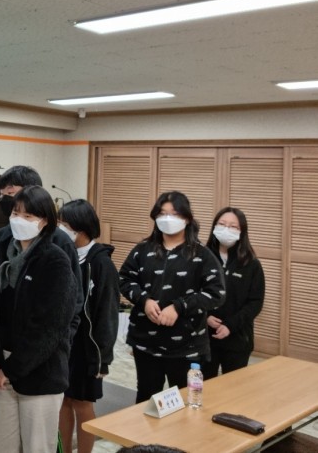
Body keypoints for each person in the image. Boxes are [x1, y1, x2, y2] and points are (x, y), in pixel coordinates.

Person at [0, 185, 78, 453]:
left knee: (37, 447)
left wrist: (11, 370)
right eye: (15, 213)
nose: (19, 220)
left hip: (40, 371)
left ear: (45, 221)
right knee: (0, 446)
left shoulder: (55, 261)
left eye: (28, 216)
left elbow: (50, 327)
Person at [119, 191, 225, 403]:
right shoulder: (142, 250)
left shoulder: (202, 255)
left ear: (187, 218)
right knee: (147, 398)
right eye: (162, 213)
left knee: (186, 401)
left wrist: (179, 307)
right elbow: (124, 279)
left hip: (187, 346)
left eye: (175, 214)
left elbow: (216, 293)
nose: (168, 218)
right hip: (145, 342)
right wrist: (144, 300)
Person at [57, 199, 120, 453]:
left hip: (87, 346)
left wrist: (103, 358)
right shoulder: (64, 255)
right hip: (65, 343)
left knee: (82, 403)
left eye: (64, 224)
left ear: (80, 228)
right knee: (63, 401)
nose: (59, 228)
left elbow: (107, 314)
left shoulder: (101, 264)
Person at [0, 166, 82, 333]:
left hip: (41, 338)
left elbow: (73, 300)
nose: (4, 200)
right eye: (1, 195)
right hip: (0, 336)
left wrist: (63, 339)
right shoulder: (0, 237)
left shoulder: (60, 243)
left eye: (10, 193)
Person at [202, 207, 265, 379]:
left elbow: (255, 302)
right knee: (204, 386)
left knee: (234, 387)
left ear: (241, 231)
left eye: (233, 226)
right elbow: (190, 292)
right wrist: (205, 316)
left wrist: (230, 325)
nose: (226, 229)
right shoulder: (202, 258)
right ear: (214, 227)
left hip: (237, 338)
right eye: (222, 224)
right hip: (204, 338)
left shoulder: (251, 264)